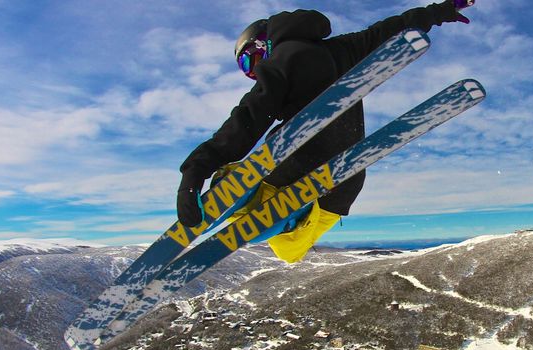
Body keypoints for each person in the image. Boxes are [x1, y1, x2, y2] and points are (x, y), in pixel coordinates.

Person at [177, 1, 475, 262]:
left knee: (254, 217)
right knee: (286, 250)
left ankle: (235, 192)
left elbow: (247, 119)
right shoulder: (344, 49)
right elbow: (390, 30)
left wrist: (196, 169)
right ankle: (287, 220)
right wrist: (441, 11)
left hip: (293, 167)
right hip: (343, 183)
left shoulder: (281, 60)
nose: (253, 73)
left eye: (250, 62)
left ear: (263, 44)